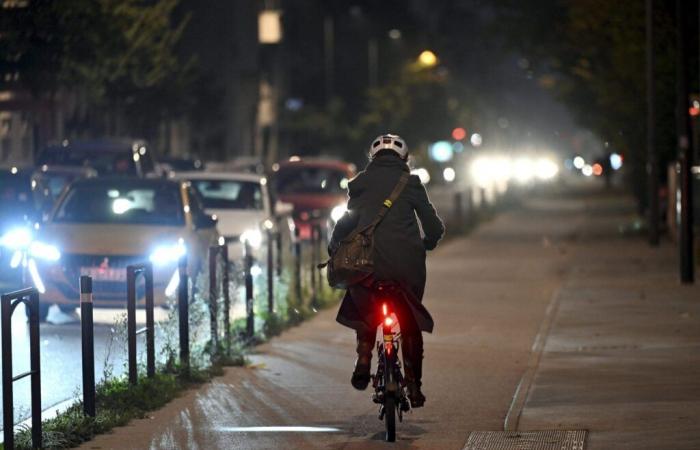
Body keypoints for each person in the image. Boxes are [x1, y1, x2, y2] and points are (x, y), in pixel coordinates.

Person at [329, 134, 444, 407]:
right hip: (406, 267)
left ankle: (364, 356)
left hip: (368, 264)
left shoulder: (360, 184)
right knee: (410, 322)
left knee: (362, 298)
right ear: (404, 159)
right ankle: (414, 386)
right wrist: (428, 242)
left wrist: (334, 248)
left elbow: (346, 223)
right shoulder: (412, 183)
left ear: (373, 158)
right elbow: (433, 225)